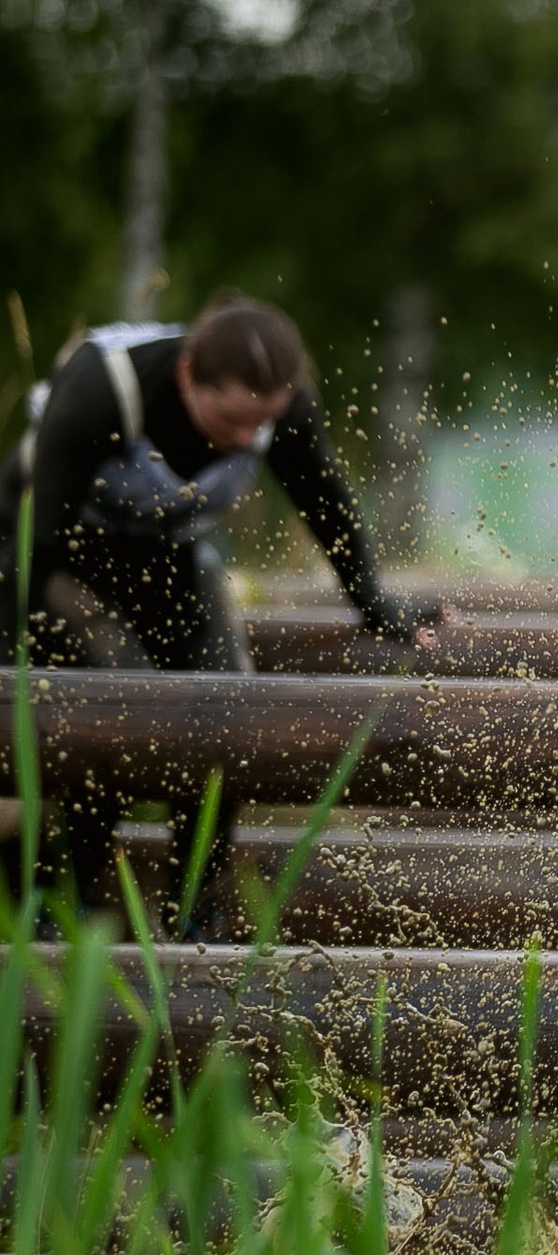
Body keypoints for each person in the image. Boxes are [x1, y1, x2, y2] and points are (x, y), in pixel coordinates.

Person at [2, 292, 439, 936]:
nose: (244, 441)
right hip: (53, 552)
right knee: (109, 699)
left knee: (223, 704)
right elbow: (38, 551)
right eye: (229, 422)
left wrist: (375, 603)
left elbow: (326, 504)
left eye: (257, 426)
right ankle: (57, 896)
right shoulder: (105, 388)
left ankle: (193, 912)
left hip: (167, 553)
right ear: (187, 377)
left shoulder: (281, 407)